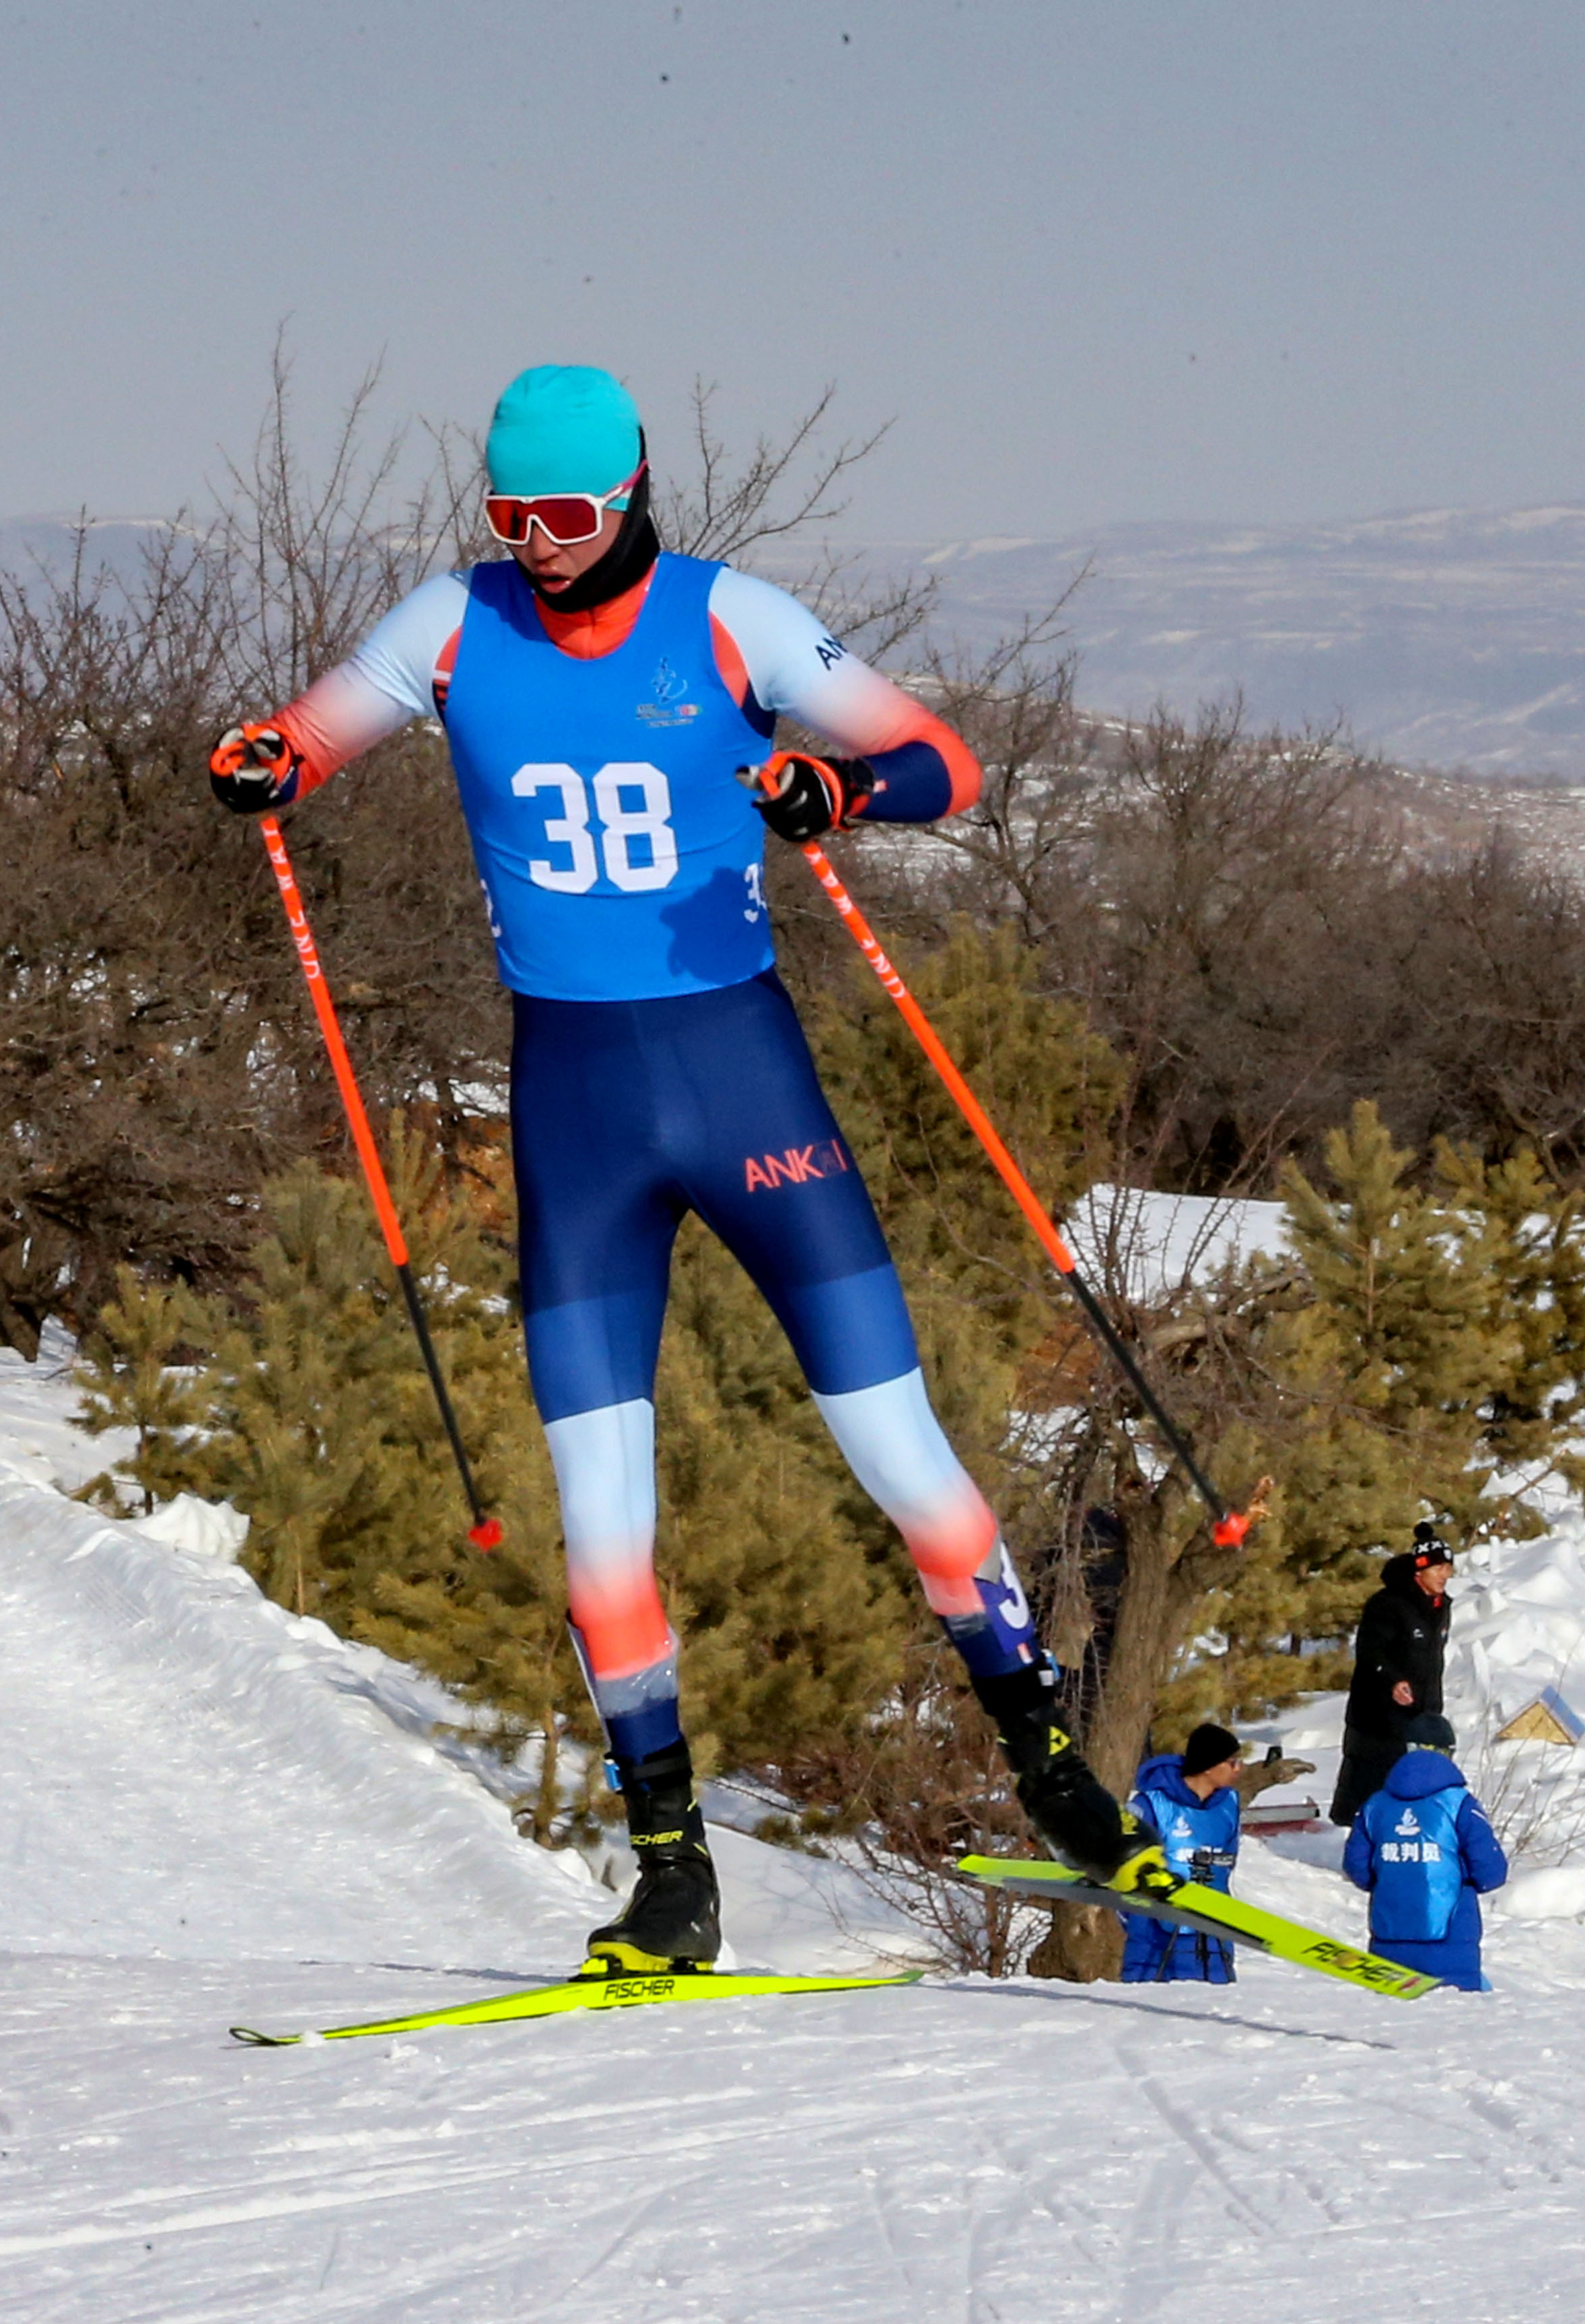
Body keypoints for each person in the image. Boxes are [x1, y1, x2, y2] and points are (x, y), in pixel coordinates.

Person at [207, 363, 1164, 1976]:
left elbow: (945, 760)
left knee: (896, 1451)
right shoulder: (453, 621)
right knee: (598, 1526)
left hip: (741, 1084)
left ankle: (1056, 1774)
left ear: (632, 491)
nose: (542, 544)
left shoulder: (734, 620)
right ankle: (669, 1873)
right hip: (574, 1106)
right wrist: (267, 761)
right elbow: (312, 733)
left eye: (568, 514)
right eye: (513, 516)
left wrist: (839, 787)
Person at [1341, 1715, 1508, 1990]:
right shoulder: (1459, 1804)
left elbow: (1356, 1866)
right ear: (1449, 1753)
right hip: (1450, 1943)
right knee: (1448, 2022)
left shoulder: (1376, 1805)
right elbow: (1492, 1872)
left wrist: (1390, 1878)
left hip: (1388, 1940)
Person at [1331, 1532, 1456, 1827]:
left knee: (1416, 1789)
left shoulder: (1441, 1607)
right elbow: (1371, 1652)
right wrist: (1392, 1681)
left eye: (1449, 1569)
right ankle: (1355, 1843)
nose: (1445, 1575)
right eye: (1438, 1568)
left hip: (1422, 1715)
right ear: (1420, 1570)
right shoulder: (1387, 1604)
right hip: (1378, 1717)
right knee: (1370, 1785)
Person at [1121, 1723, 1247, 1983]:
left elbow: (1228, 1860)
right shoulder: (1150, 1805)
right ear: (1209, 1765)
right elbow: (1124, 1866)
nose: (1239, 1768)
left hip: (1213, 1931)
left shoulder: (1229, 1804)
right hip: (1154, 1934)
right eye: (1232, 1761)